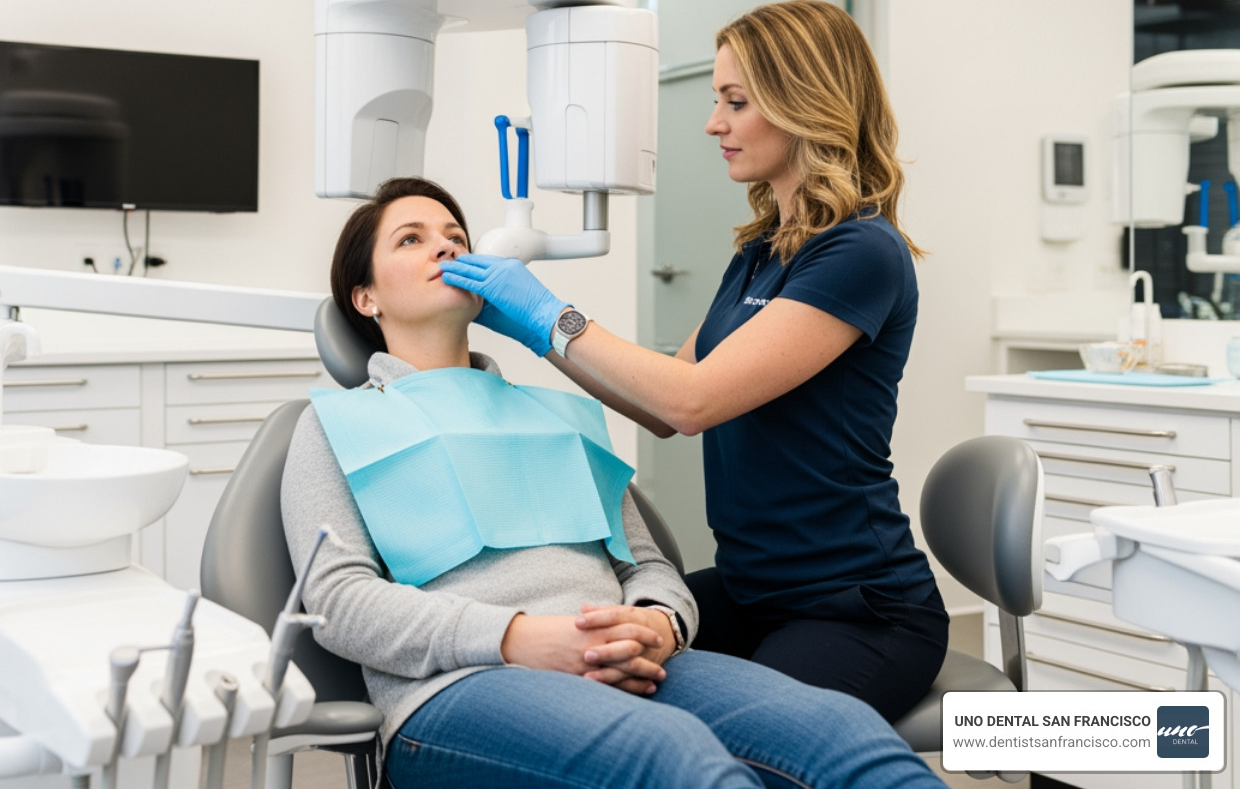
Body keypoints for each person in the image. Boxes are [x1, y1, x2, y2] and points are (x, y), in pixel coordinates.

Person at [281, 175, 946, 789]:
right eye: (412, 239)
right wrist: (517, 637)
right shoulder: (336, 425)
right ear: (364, 296)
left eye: (456, 235)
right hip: (461, 684)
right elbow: (338, 603)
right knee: (678, 757)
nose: (446, 247)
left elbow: (645, 563)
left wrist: (660, 622)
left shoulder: (553, 412)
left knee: (843, 734)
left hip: (624, 659)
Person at [438, 0, 948, 722]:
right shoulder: (761, 251)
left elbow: (693, 401)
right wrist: (535, 333)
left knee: (737, 741)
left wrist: (552, 313)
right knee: (592, 665)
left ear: (802, 103)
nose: (714, 123)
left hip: (855, 610)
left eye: (735, 102)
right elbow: (661, 403)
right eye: (718, 101)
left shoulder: (860, 252)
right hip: (750, 589)